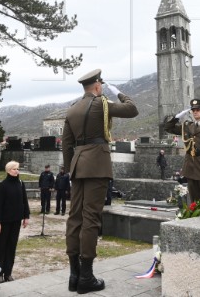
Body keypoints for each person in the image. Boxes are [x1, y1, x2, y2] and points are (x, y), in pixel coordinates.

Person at [61, 68, 138, 293]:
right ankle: (86, 277)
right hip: (97, 165)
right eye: (101, 86)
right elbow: (132, 109)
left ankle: (73, 276)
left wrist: (70, 169)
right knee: (91, 219)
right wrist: (122, 94)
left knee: (74, 218)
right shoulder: (101, 104)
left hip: (78, 166)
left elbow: (67, 145)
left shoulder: (72, 109)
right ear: (97, 86)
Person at [163, 98, 200, 202]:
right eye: (193, 110)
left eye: (198, 109)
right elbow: (167, 128)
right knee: (194, 200)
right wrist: (176, 117)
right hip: (190, 167)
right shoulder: (187, 126)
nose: (195, 112)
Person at [0, 161, 30, 284]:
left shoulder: (20, 183)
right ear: (8, 170)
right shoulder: (3, 185)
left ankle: (8, 273)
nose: (17, 171)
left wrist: (26, 216)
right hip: (4, 222)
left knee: (11, 247)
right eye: (14, 169)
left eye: (18, 169)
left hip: (16, 221)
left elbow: (24, 201)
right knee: (1, 247)